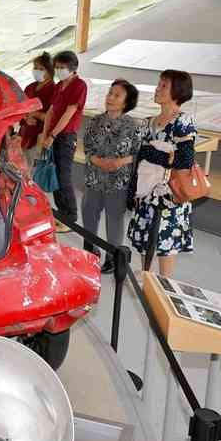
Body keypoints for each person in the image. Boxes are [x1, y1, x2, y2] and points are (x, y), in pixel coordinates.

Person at [128, 70, 197, 277]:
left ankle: (164, 292)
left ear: (178, 91)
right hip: (145, 194)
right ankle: (147, 285)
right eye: (159, 85)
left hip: (169, 196)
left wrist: (151, 152)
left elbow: (184, 160)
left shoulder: (183, 122)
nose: (157, 89)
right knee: (144, 245)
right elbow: (139, 159)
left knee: (165, 244)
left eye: (164, 86)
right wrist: (132, 191)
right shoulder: (149, 122)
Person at [81, 79, 143, 274]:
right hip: (94, 177)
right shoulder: (94, 121)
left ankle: (112, 257)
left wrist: (120, 162)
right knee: (89, 214)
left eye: (117, 95)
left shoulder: (133, 126)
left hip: (119, 181)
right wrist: (99, 161)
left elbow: (138, 153)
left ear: (126, 102)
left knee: (114, 219)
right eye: (110, 93)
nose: (110, 98)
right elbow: (88, 146)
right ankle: (90, 251)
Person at [41, 51, 87, 232]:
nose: (59, 71)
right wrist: (46, 134)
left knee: (63, 176)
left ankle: (70, 218)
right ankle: (61, 214)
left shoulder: (79, 86)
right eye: (57, 67)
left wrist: (53, 136)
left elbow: (69, 113)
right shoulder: (59, 85)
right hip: (53, 134)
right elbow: (51, 111)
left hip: (65, 137)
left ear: (73, 68)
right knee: (54, 176)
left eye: (62, 67)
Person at [20, 52, 55, 153]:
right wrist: (26, 117)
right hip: (24, 135)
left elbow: (53, 117)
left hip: (40, 137)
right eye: (35, 68)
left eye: (41, 69)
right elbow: (20, 109)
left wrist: (34, 114)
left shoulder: (54, 90)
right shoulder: (29, 87)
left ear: (50, 72)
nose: (37, 71)